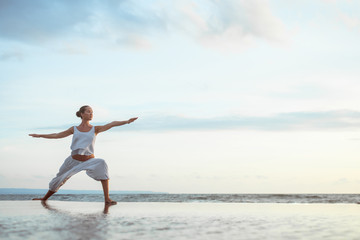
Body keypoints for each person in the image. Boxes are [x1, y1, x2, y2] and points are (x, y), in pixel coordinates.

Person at [29, 105, 138, 205]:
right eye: (88, 112)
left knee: (102, 164)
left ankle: (107, 199)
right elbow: (57, 135)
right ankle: (44, 198)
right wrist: (40, 135)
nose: (91, 114)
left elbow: (111, 124)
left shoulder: (95, 129)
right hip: (73, 160)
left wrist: (127, 121)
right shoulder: (74, 129)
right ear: (82, 114)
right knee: (59, 179)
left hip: (89, 160)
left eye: (92, 112)